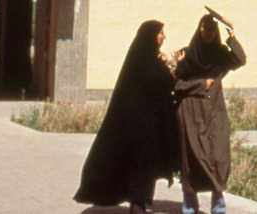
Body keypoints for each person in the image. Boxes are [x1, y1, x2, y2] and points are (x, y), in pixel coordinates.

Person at [74, 20, 179, 213]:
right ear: (151, 36)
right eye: (161, 33)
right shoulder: (148, 62)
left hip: (137, 127)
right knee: (142, 171)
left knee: (139, 169)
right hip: (144, 130)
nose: (164, 36)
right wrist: (168, 66)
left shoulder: (139, 58)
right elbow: (165, 83)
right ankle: (137, 206)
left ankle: (137, 204)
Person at [175, 12, 246, 214]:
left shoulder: (220, 55)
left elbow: (240, 59)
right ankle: (189, 206)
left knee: (218, 155)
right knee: (191, 157)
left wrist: (231, 35)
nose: (208, 32)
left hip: (215, 111)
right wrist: (200, 84)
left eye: (211, 29)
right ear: (199, 29)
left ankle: (218, 206)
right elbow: (177, 84)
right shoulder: (186, 54)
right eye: (205, 28)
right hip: (191, 112)